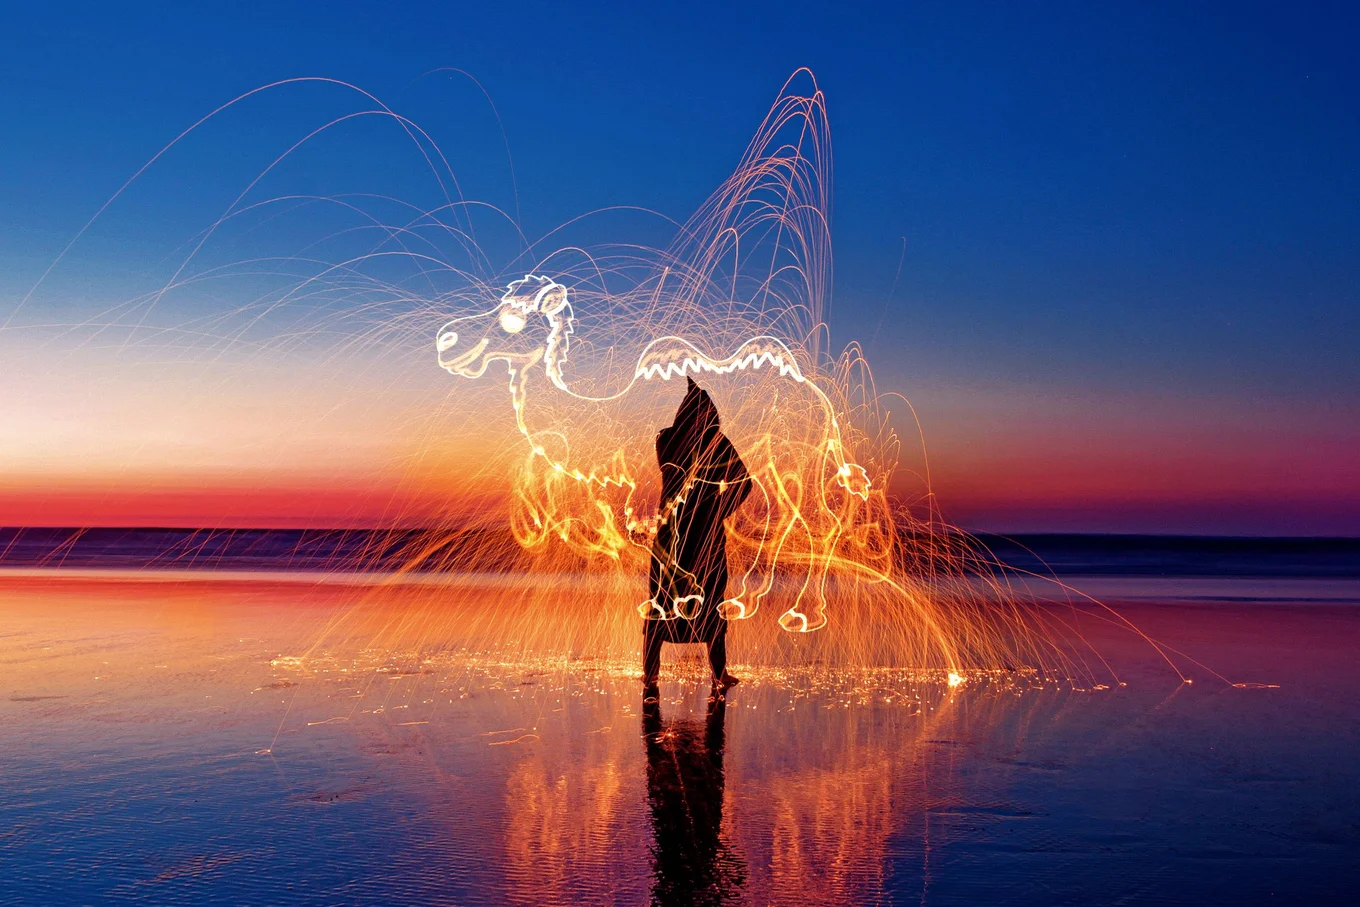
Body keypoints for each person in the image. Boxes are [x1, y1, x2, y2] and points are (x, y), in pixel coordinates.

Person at [643, 377, 752, 688]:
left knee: (669, 600)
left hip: (675, 531)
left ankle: (653, 675)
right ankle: (717, 674)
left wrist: (717, 511)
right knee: (694, 599)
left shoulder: (667, 439)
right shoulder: (712, 443)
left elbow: (744, 483)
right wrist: (717, 509)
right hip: (694, 533)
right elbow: (744, 483)